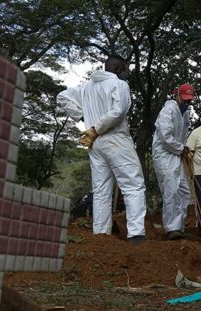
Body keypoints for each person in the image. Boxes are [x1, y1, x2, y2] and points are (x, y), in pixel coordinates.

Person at [57, 54, 147, 245]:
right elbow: (118, 111)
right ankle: (136, 234)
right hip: (115, 139)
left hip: (95, 144)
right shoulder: (119, 84)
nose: (126, 74)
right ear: (117, 69)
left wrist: (82, 118)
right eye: (125, 70)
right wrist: (95, 128)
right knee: (133, 184)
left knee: (101, 190)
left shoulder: (86, 87)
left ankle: (101, 235)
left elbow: (62, 96)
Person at [152, 83, 195, 240]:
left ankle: (180, 227)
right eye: (184, 99)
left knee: (184, 191)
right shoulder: (168, 110)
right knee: (171, 189)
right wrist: (181, 148)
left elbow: (182, 135)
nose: (186, 102)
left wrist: (183, 150)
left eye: (189, 100)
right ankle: (171, 228)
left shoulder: (186, 113)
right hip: (164, 154)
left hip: (177, 154)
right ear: (177, 95)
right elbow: (165, 137)